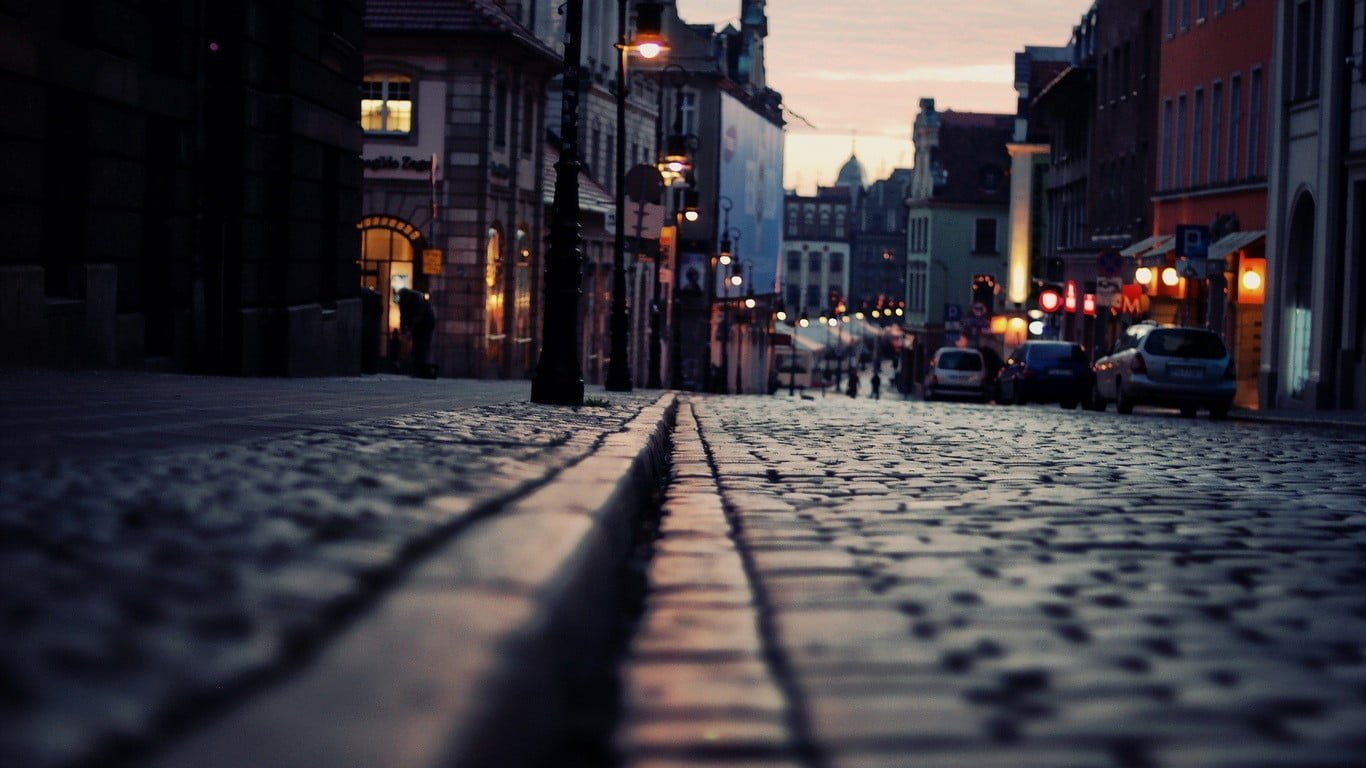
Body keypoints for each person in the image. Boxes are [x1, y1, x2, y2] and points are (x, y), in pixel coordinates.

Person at [397, 288, 437, 378]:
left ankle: (420, 370)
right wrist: (403, 329)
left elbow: (420, 314)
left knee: (422, 346)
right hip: (419, 324)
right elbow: (402, 315)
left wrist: (411, 328)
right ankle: (417, 370)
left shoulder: (417, 297)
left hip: (426, 323)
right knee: (416, 347)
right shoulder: (402, 300)